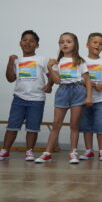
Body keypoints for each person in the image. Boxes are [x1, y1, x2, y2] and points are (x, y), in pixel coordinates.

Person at [35, 32, 93, 164]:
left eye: (68, 41)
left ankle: (73, 152)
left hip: (78, 91)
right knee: (56, 124)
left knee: (74, 124)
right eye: (62, 42)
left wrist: (89, 96)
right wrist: (50, 67)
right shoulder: (58, 62)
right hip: (63, 91)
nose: (65, 44)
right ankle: (47, 152)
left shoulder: (80, 61)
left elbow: (88, 80)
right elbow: (57, 81)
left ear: (75, 44)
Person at [0, 30, 53, 161]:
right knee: (12, 125)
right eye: (25, 39)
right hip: (19, 98)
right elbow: (10, 78)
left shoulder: (41, 59)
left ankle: (29, 151)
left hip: (37, 99)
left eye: (31, 40)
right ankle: (5, 150)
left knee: (33, 127)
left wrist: (50, 85)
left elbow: (51, 74)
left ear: (37, 45)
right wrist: (10, 61)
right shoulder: (17, 60)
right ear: (20, 43)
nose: (27, 42)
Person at [78, 33, 102, 161]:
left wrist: (101, 85)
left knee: (100, 125)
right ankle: (89, 150)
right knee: (86, 124)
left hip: (101, 99)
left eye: (100, 43)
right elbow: (77, 78)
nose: (98, 45)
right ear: (87, 44)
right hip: (84, 99)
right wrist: (86, 83)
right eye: (95, 42)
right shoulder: (81, 61)